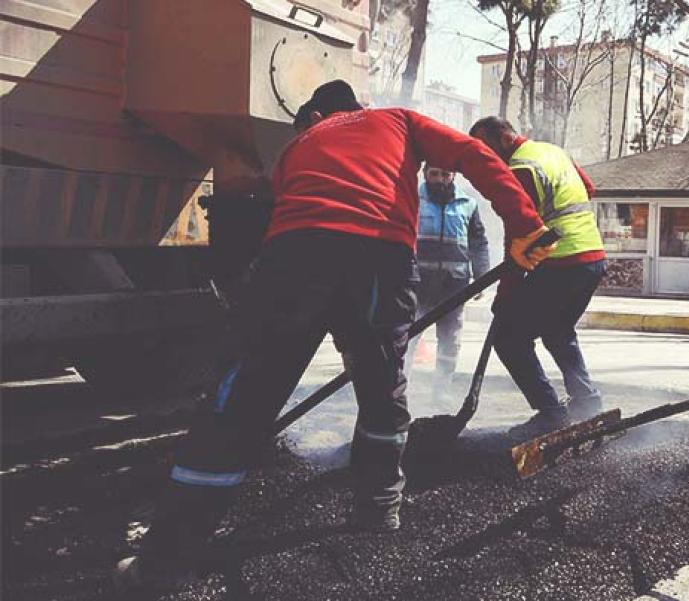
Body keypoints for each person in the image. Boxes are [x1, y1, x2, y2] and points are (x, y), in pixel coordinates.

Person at [114, 80, 552, 590]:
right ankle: (379, 507)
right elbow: (474, 154)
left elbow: (260, 218)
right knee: (382, 383)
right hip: (381, 263)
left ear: (317, 115)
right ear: (355, 107)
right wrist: (524, 223)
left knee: (242, 399)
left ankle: (165, 562)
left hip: (297, 259)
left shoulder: (297, 146)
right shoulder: (397, 119)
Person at [468, 116, 608, 438]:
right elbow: (588, 188)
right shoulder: (552, 152)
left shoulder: (519, 168)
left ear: (503, 139)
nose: (482, 156)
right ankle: (587, 402)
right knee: (558, 332)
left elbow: (519, 233)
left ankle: (551, 414)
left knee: (509, 339)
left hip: (562, 262)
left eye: (483, 147)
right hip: (591, 257)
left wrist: (506, 292)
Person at [411, 165, 490, 382]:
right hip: (418, 282)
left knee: (449, 340)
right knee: (408, 337)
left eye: (445, 175)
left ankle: (442, 388)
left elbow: (478, 242)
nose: (439, 180)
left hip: (454, 285)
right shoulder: (412, 200)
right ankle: (401, 389)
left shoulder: (468, 204)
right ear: (425, 174)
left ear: (453, 176)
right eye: (434, 174)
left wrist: (482, 276)